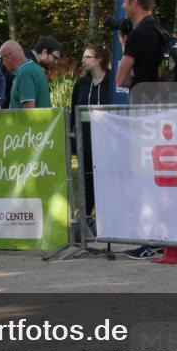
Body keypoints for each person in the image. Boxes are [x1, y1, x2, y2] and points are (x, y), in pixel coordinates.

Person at [115, 0, 172, 259]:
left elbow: (121, 78)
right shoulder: (161, 31)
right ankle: (166, 236)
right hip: (163, 112)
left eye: (126, 0)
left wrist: (125, 47)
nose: (124, 4)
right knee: (160, 176)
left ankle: (153, 238)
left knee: (145, 177)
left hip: (143, 112)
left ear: (135, 2)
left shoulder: (139, 35)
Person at [70, 45, 111, 223]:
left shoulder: (113, 82)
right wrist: (73, 137)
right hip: (85, 138)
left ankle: (107, 216)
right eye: (83, 57)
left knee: (106, 178)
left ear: (99, 59)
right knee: (87, 178)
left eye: (88, 57)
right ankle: (86, 217)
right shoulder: (81, 84)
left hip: (108, 140)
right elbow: (74, 112)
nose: (83, 60)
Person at [115, 0, 165, 97]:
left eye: (124, 1)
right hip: (161, 104)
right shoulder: (162, 32)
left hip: (143, 106)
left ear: (134, 2)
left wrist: (124, 45)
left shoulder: (137, 35)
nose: (123, 6)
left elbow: (120, 81)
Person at [0, 40, 52, 108]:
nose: (3, 63)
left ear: (9, 55)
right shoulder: (36, 68)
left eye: (2, 58)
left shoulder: (24, 73)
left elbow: (28, 112)